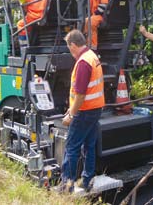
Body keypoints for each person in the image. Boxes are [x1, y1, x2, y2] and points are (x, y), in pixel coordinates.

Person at [59, 29, 105, 193]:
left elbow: (80, 94)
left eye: (69, 47)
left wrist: (71, 114)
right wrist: (70, 110)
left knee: (71, 147)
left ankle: (67, 186)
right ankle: (87, 180)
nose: (69, 51)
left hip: (84, 111)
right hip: (95, 109)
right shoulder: (92, 56)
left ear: (72, 45)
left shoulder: (83, 62)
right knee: (89, 145)